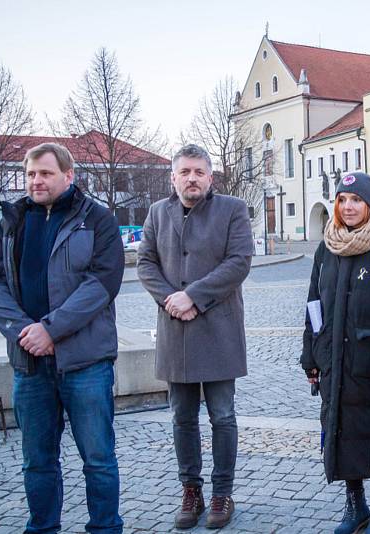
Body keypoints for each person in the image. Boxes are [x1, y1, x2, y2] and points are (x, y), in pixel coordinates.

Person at [0, 142, 125, 534]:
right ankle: (42, 528)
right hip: (30, 364)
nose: (36, 180)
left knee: (98, 458)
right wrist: (23, 333)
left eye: (45, 173)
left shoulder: (97, 219)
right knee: (37, 461)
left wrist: (51, 329)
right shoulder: (12, 220)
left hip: (85, 363)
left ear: (69, 175)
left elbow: (102, 283)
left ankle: (105, 528)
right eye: (30, 174)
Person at [137, 144, 253, 530]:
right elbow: (146, 263)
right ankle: (192, 490)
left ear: (210, 176)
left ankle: (222, 492)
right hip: (176, 330)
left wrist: (194, 297)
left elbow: (239, 262)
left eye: (199, 172)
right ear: (173, 177)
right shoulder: (157, 212)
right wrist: (172, 300)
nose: (192, 178)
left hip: (218, 329)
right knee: (182, 417)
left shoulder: (232, 209)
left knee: (223, 416)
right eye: (185, 172)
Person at [301, 171, 370, 534]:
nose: (348, 207)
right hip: (334, 360)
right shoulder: (326, 248)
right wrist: (310, 356)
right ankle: (355, 504)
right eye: (343, 200)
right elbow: (314, 304)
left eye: (356, 200)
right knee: (340, 432)